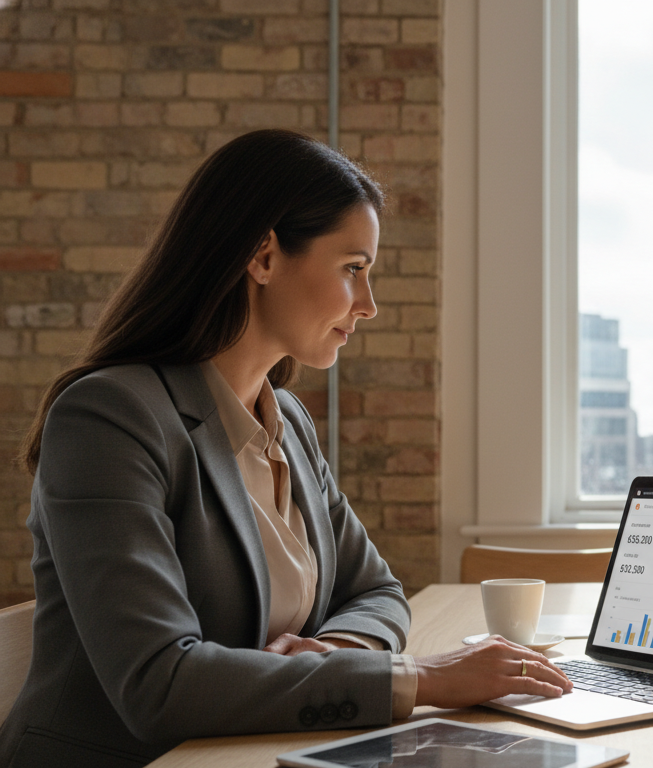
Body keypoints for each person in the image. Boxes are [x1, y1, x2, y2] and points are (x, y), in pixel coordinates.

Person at [0, 129, 570, 768]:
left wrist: (336, 651)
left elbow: (376, 589)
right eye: (353, 269)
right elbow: (158, 685)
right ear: (263, 256)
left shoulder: (287, 421)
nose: (370, 305)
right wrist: (422, 678)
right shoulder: (109, 418)